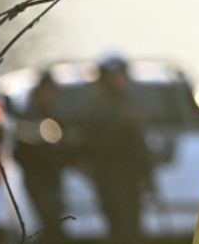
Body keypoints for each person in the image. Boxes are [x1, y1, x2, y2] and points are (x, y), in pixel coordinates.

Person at [81, 54, 153, 244]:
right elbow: (94, 145)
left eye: (120, 75)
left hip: (130, 177)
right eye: (113, 76)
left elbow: (139, 144)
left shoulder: (128, 103)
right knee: (121, 227)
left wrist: (146, 172)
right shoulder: (99, 107)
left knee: (131, 227)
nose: (118, 80)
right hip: (111, 176)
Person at [14, 71, 69, 244]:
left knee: (54, 223)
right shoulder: (30, 117)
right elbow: (20, 151)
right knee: (48, 223)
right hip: (37, 179)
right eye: (48, 91)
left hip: (52, 178)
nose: (51, 96)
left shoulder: (53, 113)